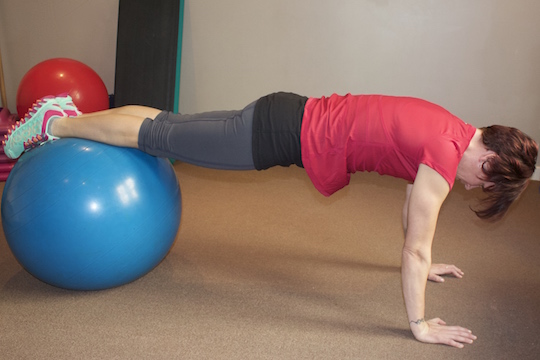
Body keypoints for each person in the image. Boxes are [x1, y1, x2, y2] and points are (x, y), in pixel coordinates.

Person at [3, 92, 538, 348]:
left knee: (164, 125)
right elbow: (415, 245)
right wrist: (419, 326)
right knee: (158, 136)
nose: (473, 189)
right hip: (277, 136)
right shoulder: (443, 162)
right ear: (488, 161)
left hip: (288, 112)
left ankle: (66, 116)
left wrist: (426, 264)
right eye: (484, 183)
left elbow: (413, 219)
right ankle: (61, 122)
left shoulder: (451, 128)